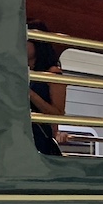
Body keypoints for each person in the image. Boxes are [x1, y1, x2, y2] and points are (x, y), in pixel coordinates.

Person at [27, 19, 66, 156]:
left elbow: (57, 114)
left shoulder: (53, 73)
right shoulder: (28, 73)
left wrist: (30, 94)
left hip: (40, 139)